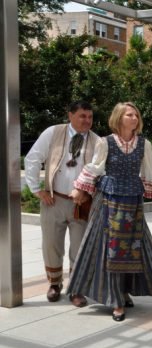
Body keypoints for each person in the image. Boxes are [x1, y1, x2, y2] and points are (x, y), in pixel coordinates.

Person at [67, 102, 152, 321]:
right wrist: (79, 187)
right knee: (109, 248)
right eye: (129, 114)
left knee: (131, 247)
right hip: (109, 200)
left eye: (136, 114)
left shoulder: (144, 144)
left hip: (133, 201)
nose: (134, 117)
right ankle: (115, 300)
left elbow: (150, 170)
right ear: (119, 118)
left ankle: (123, 291)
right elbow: (95, 167)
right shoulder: (105, 142)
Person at [24, 100, 100, 307]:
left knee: (80, 247)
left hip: (82, 203)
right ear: (70, 115)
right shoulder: (53, 132)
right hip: (54, 199)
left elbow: (101, 172)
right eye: (82, 116)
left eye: (90, 117)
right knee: (51, 244)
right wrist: (36, 189)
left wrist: (87, 192)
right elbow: (32, 158)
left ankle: (76, 289)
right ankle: (54, 284)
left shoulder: (98, 141)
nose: (87, 120)